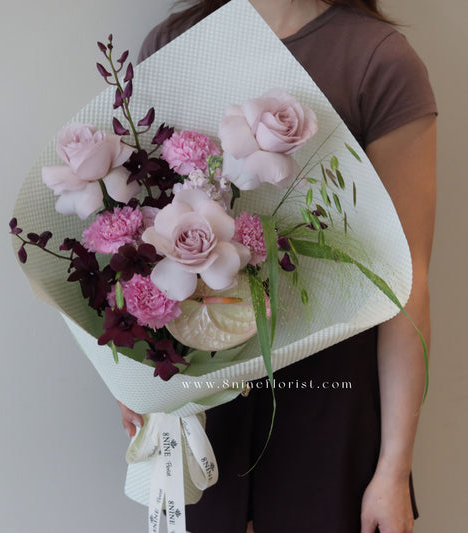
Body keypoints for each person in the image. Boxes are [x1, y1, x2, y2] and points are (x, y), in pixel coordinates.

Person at [118, 1, 438, 532]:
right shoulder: (176, 44)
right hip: (202, 392)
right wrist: (135, 379)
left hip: (331, 396)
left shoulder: (378, 62)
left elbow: (406, 282)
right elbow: (139, 239)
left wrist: (394, 468)